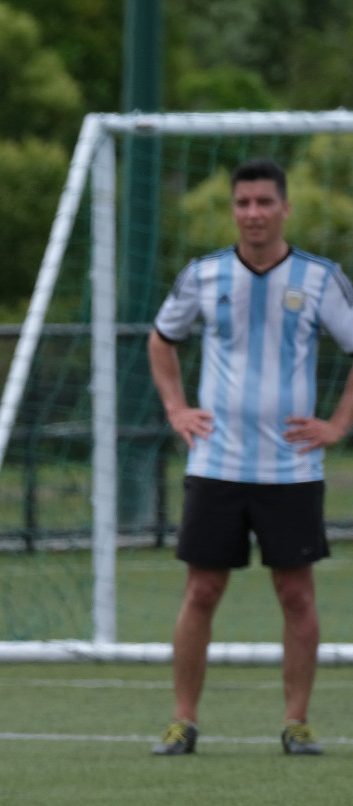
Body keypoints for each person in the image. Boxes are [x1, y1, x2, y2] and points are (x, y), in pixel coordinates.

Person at [148, 157, 353, 757]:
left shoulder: (320, 278)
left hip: (291, 467)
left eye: (265, 202)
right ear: (233, 210)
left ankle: (296, 722)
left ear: (285, 208)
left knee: (296, 595)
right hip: (216, 464)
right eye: (243, 203)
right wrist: (176, 410)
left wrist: (338, 424)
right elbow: (161, 340)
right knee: (201, 591)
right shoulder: (203, 275)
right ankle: (182, 721)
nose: (254, 213)